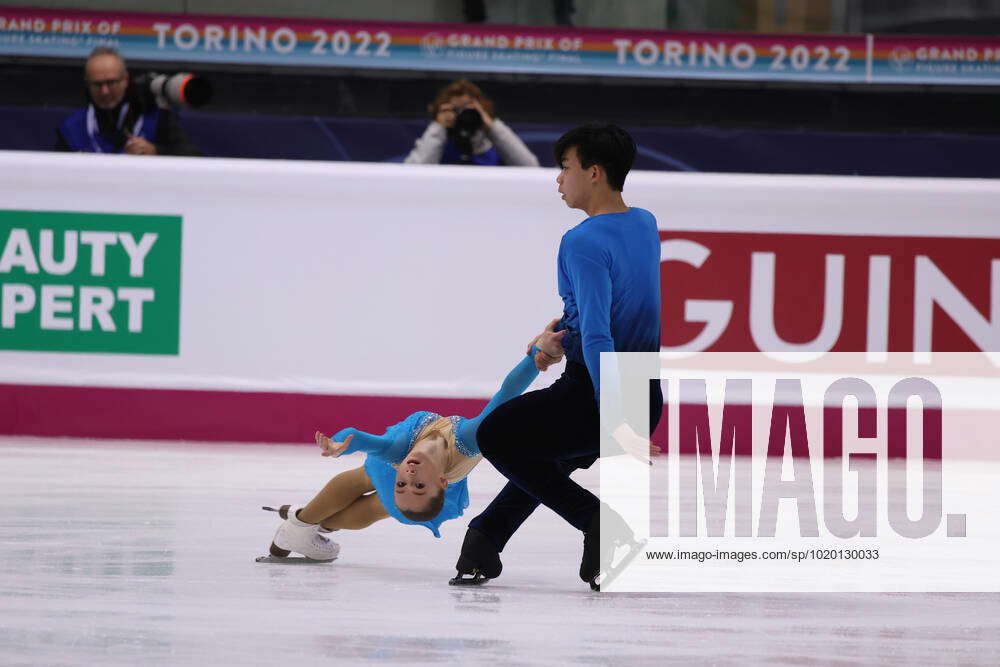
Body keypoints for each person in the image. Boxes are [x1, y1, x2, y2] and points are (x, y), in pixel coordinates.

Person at [452, 123, 664, 588]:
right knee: (542, 462)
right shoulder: (644, 223)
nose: (558, 179)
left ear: (593, 172)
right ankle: (484, 539)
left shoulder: (582, 240)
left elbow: (599, 332)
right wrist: (555, 340)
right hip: (644, 391)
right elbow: (616, 312)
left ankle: (601, 524)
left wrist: (615, 418)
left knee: (498, 434)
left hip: (598, 396)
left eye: (564, 168)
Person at [267, 329, 565, 561]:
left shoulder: (399, 455)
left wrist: (340, 444)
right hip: (425, 456)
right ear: (441, 481)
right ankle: (303, 523)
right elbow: (507, 393)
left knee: (379, 504)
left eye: (403, 485)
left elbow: (357, 438)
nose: (409, 478)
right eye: (418, 486)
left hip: (409, 455)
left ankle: (306, 524)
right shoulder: (467, 439)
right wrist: (536, 356)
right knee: (365, 482)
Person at [55, 46, 200, 156]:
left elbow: (193, 160)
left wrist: (156, 152)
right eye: (98, 84)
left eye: (111, 83)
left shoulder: (155, 117)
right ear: (87, 83)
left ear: (125, 80)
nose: (105, 91)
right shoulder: (72, 128)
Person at [404, 79, 538, 166]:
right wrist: (438, 127)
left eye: (467, 109)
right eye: (456, 110)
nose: (462, 115)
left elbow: (530, 167)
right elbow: (411, 173)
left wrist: (493, 127)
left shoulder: (494, 145)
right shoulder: (438, 143)